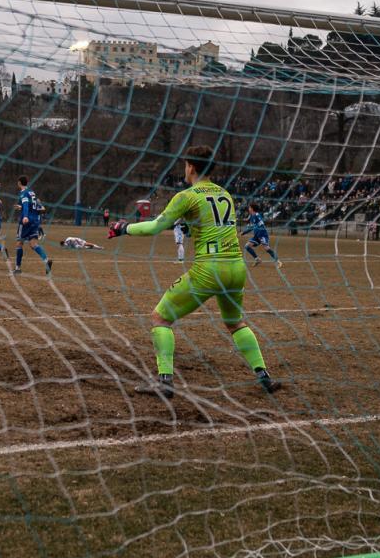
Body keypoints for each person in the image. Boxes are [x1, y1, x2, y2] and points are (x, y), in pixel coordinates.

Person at [108, 145, 282, 396]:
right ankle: (264, 377)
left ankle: (164, 382)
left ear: (190, 166)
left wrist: (124, 228)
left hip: (209, 269)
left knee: (160, 318)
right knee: (235, 322)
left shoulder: (187, 196)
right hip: (236, 267)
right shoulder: (225, 195)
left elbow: (155, 227)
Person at [14, 176, 52, 275]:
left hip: (26, 221)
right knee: (33, 244)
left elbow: (26, 205)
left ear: (19, 183)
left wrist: (25, 216)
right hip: (35, 221)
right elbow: (38, 207)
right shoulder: (32, 192)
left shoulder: (23, 193)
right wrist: (21, 207)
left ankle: (18, 268)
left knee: (19, 243)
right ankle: (46, 260)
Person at [241, 203, 281, 268]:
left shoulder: (257, 215)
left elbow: (261, 224)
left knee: (266, 248)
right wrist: (244, 232)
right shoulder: (251, 216)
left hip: (262, 234)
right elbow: (252, 227)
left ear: (252, 208)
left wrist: (259, 234)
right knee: (247, 246)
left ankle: (278, 261)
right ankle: (257, 259)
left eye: (249, 207)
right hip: (256, 235)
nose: (248, 209)